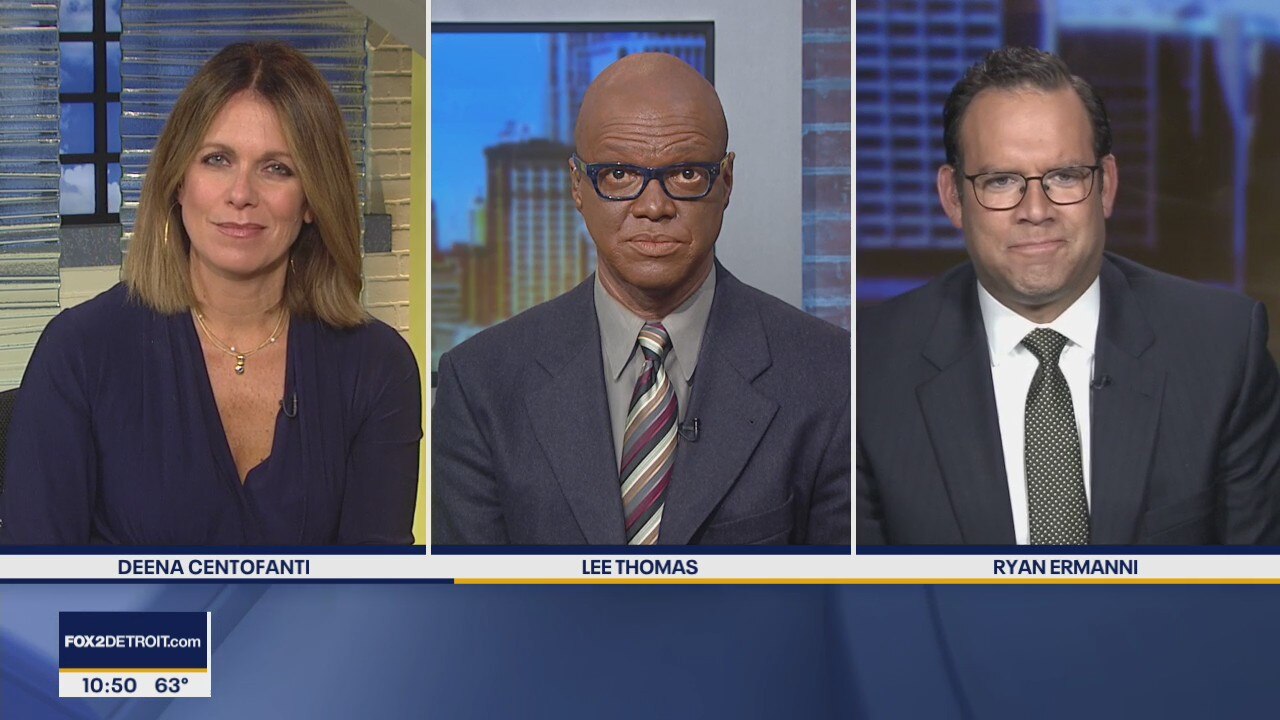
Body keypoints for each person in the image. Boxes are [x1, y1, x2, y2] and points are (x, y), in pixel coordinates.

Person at [0, 42, 422, 545]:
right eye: (217, 159)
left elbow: (373, 586)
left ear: (312, 199)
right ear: (178, 182)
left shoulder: (376, 367)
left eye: (277, 168)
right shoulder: (81, 351)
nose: (241, 194)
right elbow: (40, 584)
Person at [857, 46, 1280, 545]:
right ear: (953, 197)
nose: (1036, 211)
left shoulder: (1222, 350)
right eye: (1000, 181)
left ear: (1106, 186)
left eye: (1064, 177)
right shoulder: (866, 369)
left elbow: (1253, 582)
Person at [433, 53, 850, 545]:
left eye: (687, 174)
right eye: (619, 175)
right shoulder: (481, 383)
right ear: (577, 186)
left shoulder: (831, 374)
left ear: (726, 182)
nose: (654, 206)